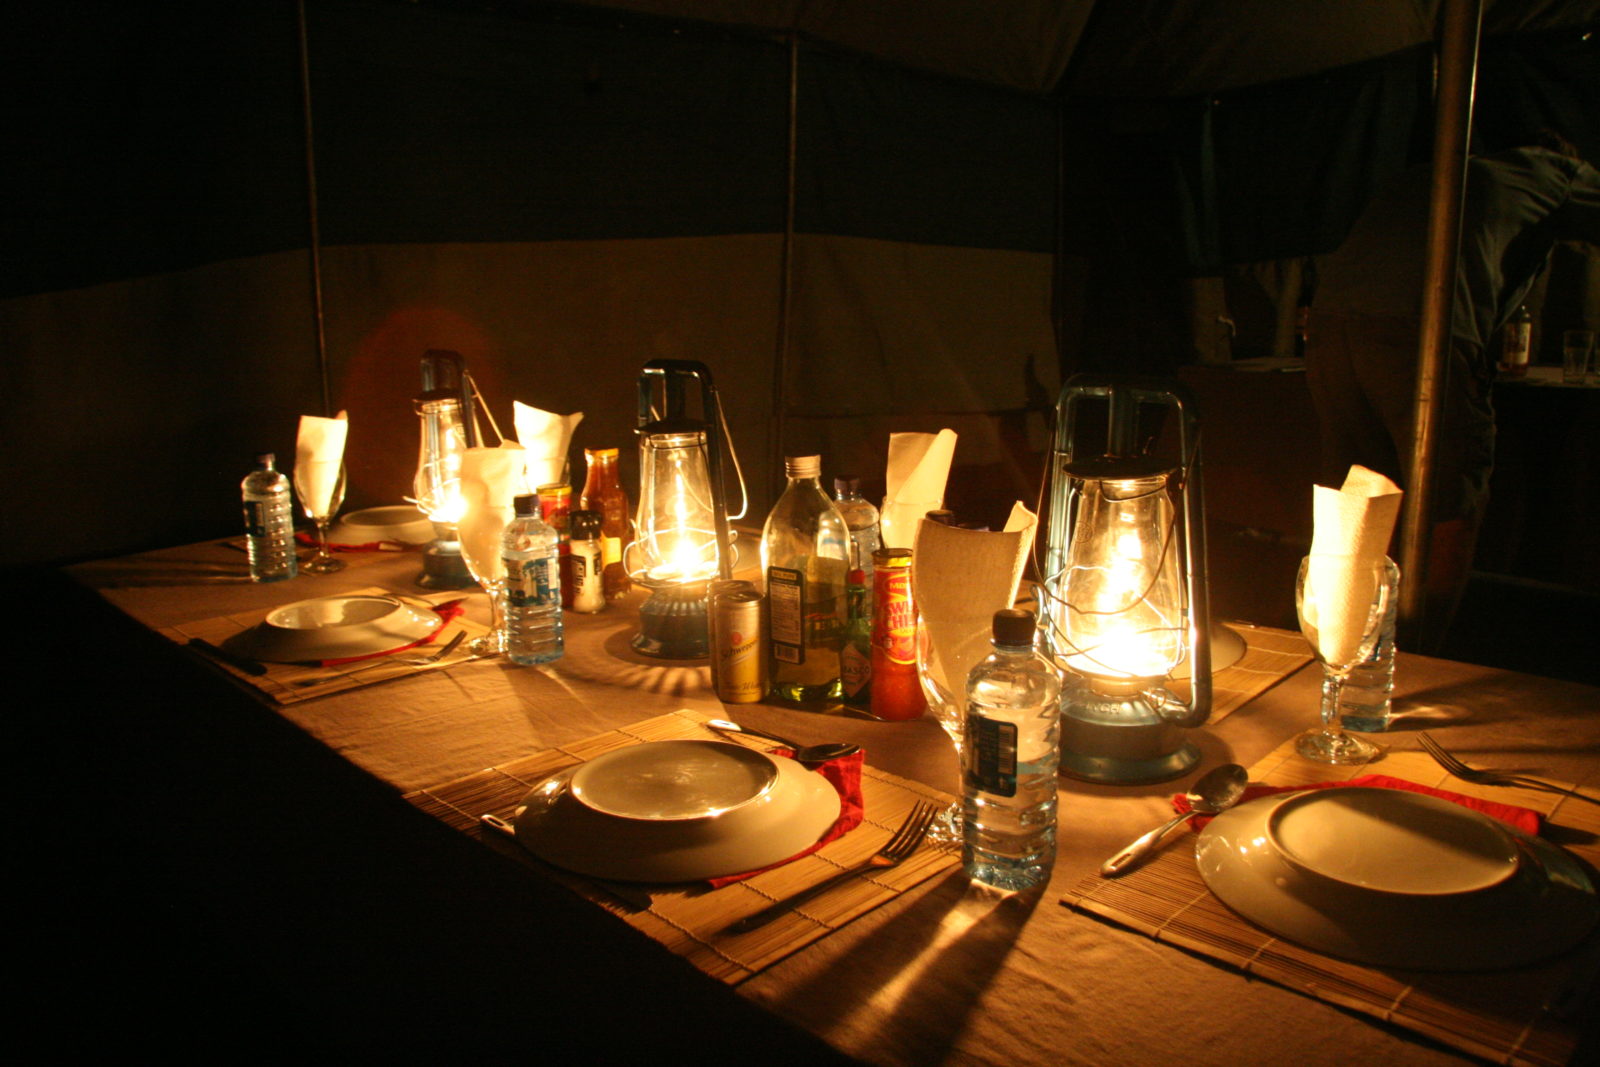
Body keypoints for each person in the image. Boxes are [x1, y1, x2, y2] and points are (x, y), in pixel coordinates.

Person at [1305, 137, 1600, 651]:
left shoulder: (1432, 167)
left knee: (1354, 494)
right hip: (1422, 327)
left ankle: (1340, 650)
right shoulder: (1557, 173)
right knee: (1448, 495)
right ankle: (1422, 656)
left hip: (1329, 326)